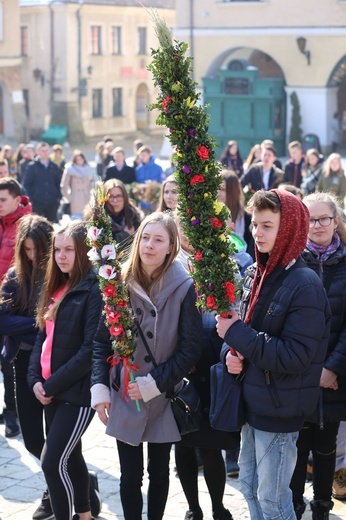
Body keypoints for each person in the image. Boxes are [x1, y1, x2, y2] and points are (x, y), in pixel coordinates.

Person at [215, 189, 330, 520]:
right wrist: (229, 354)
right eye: (254, 225)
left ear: (290, 228)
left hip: (280, 410)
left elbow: (295, 356)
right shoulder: (256, 272)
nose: (258, 233)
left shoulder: (305, 283)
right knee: (250, 488)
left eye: (268, 226)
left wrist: (235, 335)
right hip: (253, 403)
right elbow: (237, 330)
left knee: (274, 500)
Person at [90, 211, 203, 520]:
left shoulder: (184, 286)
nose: (149, 246)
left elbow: (190, 348)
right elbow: (101, 341)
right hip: (125, 390)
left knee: (159, 470)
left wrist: (154, 383)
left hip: (163, 392)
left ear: (171, 247)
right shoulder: (118, 281)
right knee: (129, 474)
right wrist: (100, 388)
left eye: (159, 240)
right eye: (145, 238)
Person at [27, 220, 103, 520]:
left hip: (77, 392)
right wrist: (35, 379)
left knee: (51, 462)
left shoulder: (94, 289)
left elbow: (89, 350)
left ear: (83, 251)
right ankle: (84, 515)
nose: (61, 255)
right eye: (58, 249)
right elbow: (41, 336)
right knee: (71, 458)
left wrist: (50, 386)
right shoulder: (57, 285)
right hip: (51, 389)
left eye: (69, 249)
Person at [175, 222, 238, 520]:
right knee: (184, 442)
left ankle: (217, 505)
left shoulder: (220, 259)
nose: (188, 234)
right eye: (182, 227)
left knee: (211, 444)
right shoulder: (170, 262)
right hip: (179, 363)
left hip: (213, 359)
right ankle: (193, 507)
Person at [290, 192, 346, 520]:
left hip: (335, 376)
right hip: (297, 375)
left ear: (335, 221)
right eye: (310, 219)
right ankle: (294, 505)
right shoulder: (293, 262)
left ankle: (322, 506)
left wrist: (333, 367)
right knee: (297, 447)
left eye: (324, 218)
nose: (317, 225)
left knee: (326, 447)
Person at [0, 215, 54, 520]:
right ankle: (84, 480)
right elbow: (2, 318)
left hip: (55, 366)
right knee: (33, 438)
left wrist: (35, 329)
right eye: (27, 250)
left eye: (38, 250)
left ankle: (53, 492)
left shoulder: (61, 276)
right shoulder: (15, 277)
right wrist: (37, 325)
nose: (33, 257)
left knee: (58, 438)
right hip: (23, 364)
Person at [0, 177, 32, 438]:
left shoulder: (27, 227)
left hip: (13, 307)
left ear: (17, 199)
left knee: (8, 361)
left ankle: (13, 414)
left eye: (2, 200)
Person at [23, 142, 62, 222]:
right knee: (37, 226)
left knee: (50, 227)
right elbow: (26, 184)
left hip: (52, 201)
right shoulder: (32, 166)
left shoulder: (53, 166)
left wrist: (58, 196)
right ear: (38, 152)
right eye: (42, 151)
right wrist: (31, 199)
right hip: (37, 202)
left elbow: (59, 182)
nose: (45, 153)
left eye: (46, 150)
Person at [218, 170, 253, 256]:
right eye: (216, 188)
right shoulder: (207, 214)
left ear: (232, 192)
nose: (218, 193)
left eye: (223, 189)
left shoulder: (247, 219)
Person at [101, 178, 142, 245]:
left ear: (125, 197)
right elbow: (104, 249)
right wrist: (125, 235)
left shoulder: (134, 217)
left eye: (119, 196)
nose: (115, 200)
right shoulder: (98, 221)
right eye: (110, 196)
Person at [61, 150, 93, 220]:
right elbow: (64, 185)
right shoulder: (70, 169)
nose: (79, 161)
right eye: (77, 160)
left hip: (86, 199)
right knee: (76, 223)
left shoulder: (88, 169)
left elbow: (91, 184)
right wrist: (70, 198)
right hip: (75, 200)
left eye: (80, 159)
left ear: (83, 159)